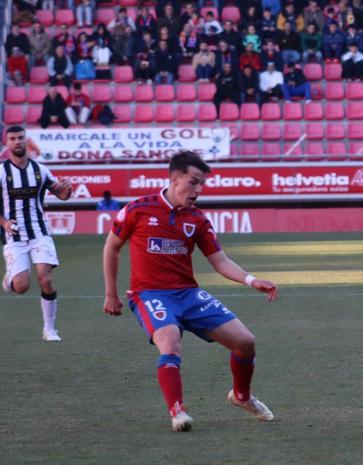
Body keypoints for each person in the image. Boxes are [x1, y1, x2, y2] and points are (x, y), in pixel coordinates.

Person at [102, 151, 278, 432]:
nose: (199, 190)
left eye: (202, 184)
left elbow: (220, 261)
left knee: (246, 342)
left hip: (188, 294)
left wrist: (250, 280)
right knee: (170, 341)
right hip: (149, 294)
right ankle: (178, 411)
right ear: (174, 179)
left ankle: (241, 397)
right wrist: (111, 293)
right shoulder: (138, 209)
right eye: (194, 182)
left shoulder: (197, 219)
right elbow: (112, 247)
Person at [1, 126, 73, 342]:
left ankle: (49, 329)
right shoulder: (2, 172)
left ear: (27, 140)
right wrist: (3, 222)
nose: (17, 142)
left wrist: (66, 189)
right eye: (12, 139)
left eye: (21, 138)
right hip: (14, 236)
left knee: (45, 278)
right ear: (7, 143)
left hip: (40, 232)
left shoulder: (40, 170)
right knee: (21, 287)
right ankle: (10, 279)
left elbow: (61, 194)